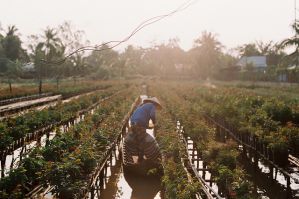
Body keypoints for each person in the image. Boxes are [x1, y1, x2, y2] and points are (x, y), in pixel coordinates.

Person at [130, 97, 162, 162]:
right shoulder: (152, 105)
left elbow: (140, 117)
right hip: (139, 123)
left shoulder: (142, 106)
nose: (156, 109)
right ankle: (140, 159)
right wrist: (154, 123)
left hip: (133, 123)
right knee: (142, 141)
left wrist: (148, 126)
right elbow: (152, 115)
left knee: (137, 140)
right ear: (155, 103)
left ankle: (137, 156)